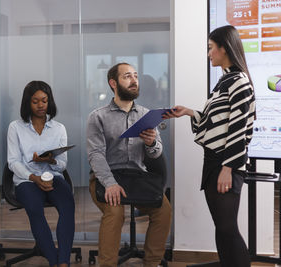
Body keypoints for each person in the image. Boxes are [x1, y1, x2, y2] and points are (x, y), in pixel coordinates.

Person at [163, 25, 256, 267]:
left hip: (226, 164)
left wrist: (228, 168)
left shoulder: (239, 82)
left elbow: (238, 127)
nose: (208, 54)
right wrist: (189, 113)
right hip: (215, 162)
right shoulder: (225, 81)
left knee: (227, 228)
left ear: (223, 48)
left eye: (210, 48)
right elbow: (216, 120)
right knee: (222, 227)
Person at [86, 63, 172, 267]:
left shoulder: (146, 115)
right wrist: (110, 184)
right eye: (127, 77)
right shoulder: (97, 116)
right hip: (106, 177)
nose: (134, 80)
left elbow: (157, 152)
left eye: (135, 76)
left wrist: (151, 143)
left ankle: (152, 263)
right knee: (115, 213)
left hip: (137, 177)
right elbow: (95, 155)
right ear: (113, 83)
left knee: (164, 210)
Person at [7, 80, 75, 267]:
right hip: (26, 180)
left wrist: (50, 160)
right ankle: (55, 262)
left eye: (44, 101)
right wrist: (34, 178)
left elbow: (62, 164)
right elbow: (13, 162)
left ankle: (63, 262)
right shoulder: (15, 127)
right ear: (27, 103)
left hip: (53, 176)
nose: (40, 105)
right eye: (35, 101)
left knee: (68, 207)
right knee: (35, 209)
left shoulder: (59, 128)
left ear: (49, 101)